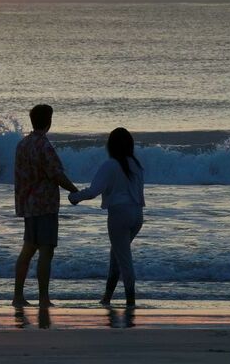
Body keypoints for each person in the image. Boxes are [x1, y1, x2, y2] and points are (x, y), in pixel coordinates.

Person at [69, 127, 145, 306]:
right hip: (137, 215)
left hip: (119, 215)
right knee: (117, 254)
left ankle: (130, 301)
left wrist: (75, 197)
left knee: (124, 259)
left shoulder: (110, 165)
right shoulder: (136, 164)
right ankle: (107, 297)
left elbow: (93, 191)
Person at [13, 104, 78, 308]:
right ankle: (43, 298)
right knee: (46, 251)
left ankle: (18, 295)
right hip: (45, 205)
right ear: (48, 122)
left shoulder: (22, 144)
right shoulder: (44, 145)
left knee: (28, 249)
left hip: (28, 205)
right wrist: (76, 191)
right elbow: (56, 174)